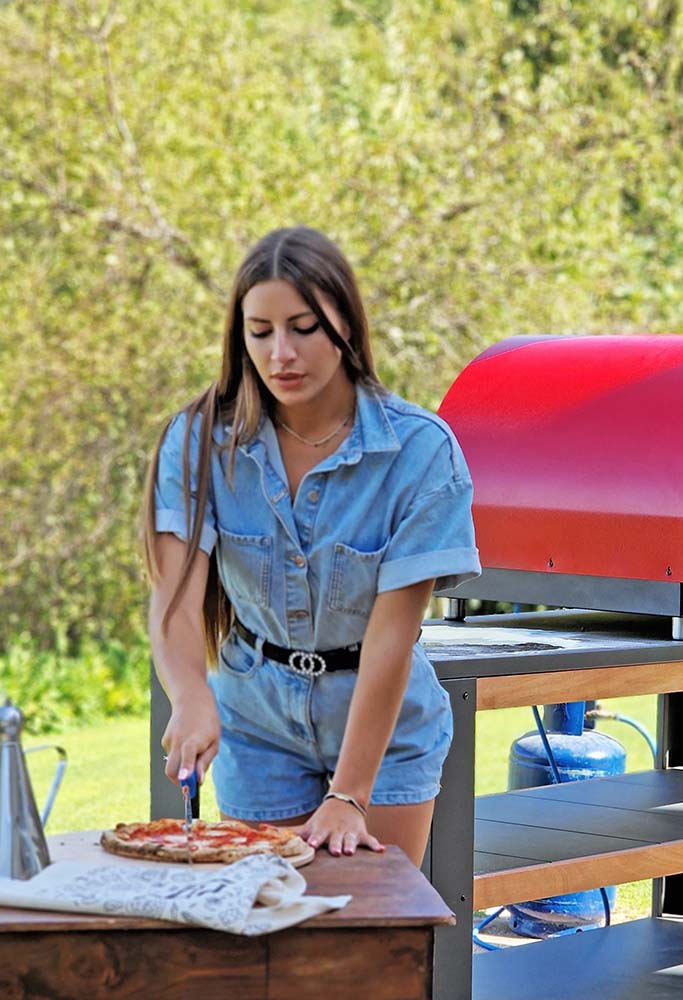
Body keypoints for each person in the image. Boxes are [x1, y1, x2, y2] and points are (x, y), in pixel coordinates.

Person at [141, 226, 480, 866]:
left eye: (303, 327)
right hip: (257, 724)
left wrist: (350, 794)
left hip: (386, 729)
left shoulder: (420, 453)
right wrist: (190, 696)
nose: (281, 354)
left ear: (345, 326)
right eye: (260, 331)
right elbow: (176, 601)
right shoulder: (197, 441)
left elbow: (391, 637)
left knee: (376, 932)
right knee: (276, 932)